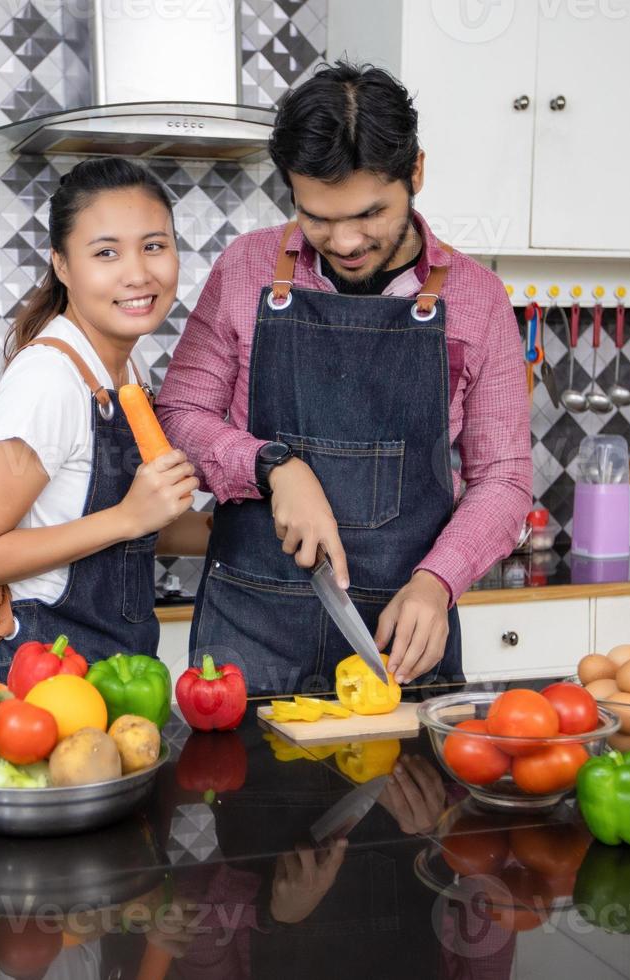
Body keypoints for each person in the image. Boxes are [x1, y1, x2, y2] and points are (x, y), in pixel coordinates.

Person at [156, 62, 532, 696]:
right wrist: (275, 467)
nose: (346, 240)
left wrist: (438, 581)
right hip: (252, 629)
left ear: (415, 172)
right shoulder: (247, 268)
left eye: (369, 214)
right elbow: (180, 412)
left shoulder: (479, 298)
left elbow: (504, 477)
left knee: (406, 798)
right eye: (317, 218)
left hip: (402, 633)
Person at [0, 158, 207, 681]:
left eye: (154, 245)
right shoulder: (48, 378)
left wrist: (253, 531)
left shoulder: (123, 367)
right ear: (62, 265)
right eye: (106, 252)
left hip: (121, 672)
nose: (138, 273)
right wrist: (129, 517)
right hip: (50, 680)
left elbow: (135, 523)